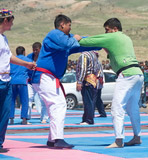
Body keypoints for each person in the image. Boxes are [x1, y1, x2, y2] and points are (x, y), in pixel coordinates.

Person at [31, 14, 99, 149]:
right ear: (62, 24)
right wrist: (75, 38)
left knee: (55, 106)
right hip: (44, 76)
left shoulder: (64, 39)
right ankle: (57, 138)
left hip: (48, 77)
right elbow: (69, 43)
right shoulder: (55, 34)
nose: (70, 28)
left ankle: (52, 139)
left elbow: (78, 45)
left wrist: (98, 43)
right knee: (58, 104)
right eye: (69, 25)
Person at [78, 18, 144, 148]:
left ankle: (119, 140)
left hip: (126, 75)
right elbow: (115, 52)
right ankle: (137, 137)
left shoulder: (112, 37)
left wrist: (78, 38)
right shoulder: (126, 38)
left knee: (116, 108)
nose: (106, 32)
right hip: (137, 73)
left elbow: (89, 41)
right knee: (132, 108)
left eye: (107, 30)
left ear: (114, 29)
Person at [0, 9, 35, 153]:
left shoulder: (3, 38)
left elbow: (8, 57)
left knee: (5, 113)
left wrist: (26, 64)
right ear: (5, 20)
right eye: (11, 21)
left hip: (7, 79)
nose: (12, 24)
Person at [76, 51, 100, 125]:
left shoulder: (84, 55)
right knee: (90, 100)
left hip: (87, 79)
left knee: (87, 101)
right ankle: (86, 118)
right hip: (93, 79)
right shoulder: (94, 55)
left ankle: (88, 119)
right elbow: (98, 68)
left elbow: (83, 68)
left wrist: (79, 81)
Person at [10, 46, 32, 125]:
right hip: (22, 81)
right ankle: (24, 119)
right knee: (24, 101)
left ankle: (11, 118)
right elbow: (31, 70)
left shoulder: (12, 60)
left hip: (12, 81)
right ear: (24, 52)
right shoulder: (27, 60)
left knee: (12, 100)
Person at [27, 42, 48, 123]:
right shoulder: (29, 57)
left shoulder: (44, 57)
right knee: (28, 99)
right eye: (33, 50)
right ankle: (27, 118)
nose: (35, 52)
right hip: (30, 82)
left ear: (40, 49)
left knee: (43, 100)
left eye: (36, 50)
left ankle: (44, 118)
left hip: (41, 81)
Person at [94, 52, 107, 117]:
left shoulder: (96, 62)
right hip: (98, 82)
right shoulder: (97, 62)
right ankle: (102, 112)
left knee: (94, 98)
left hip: (97, 82)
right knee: (97, 98)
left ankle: (92, 113)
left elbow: (97, 73)